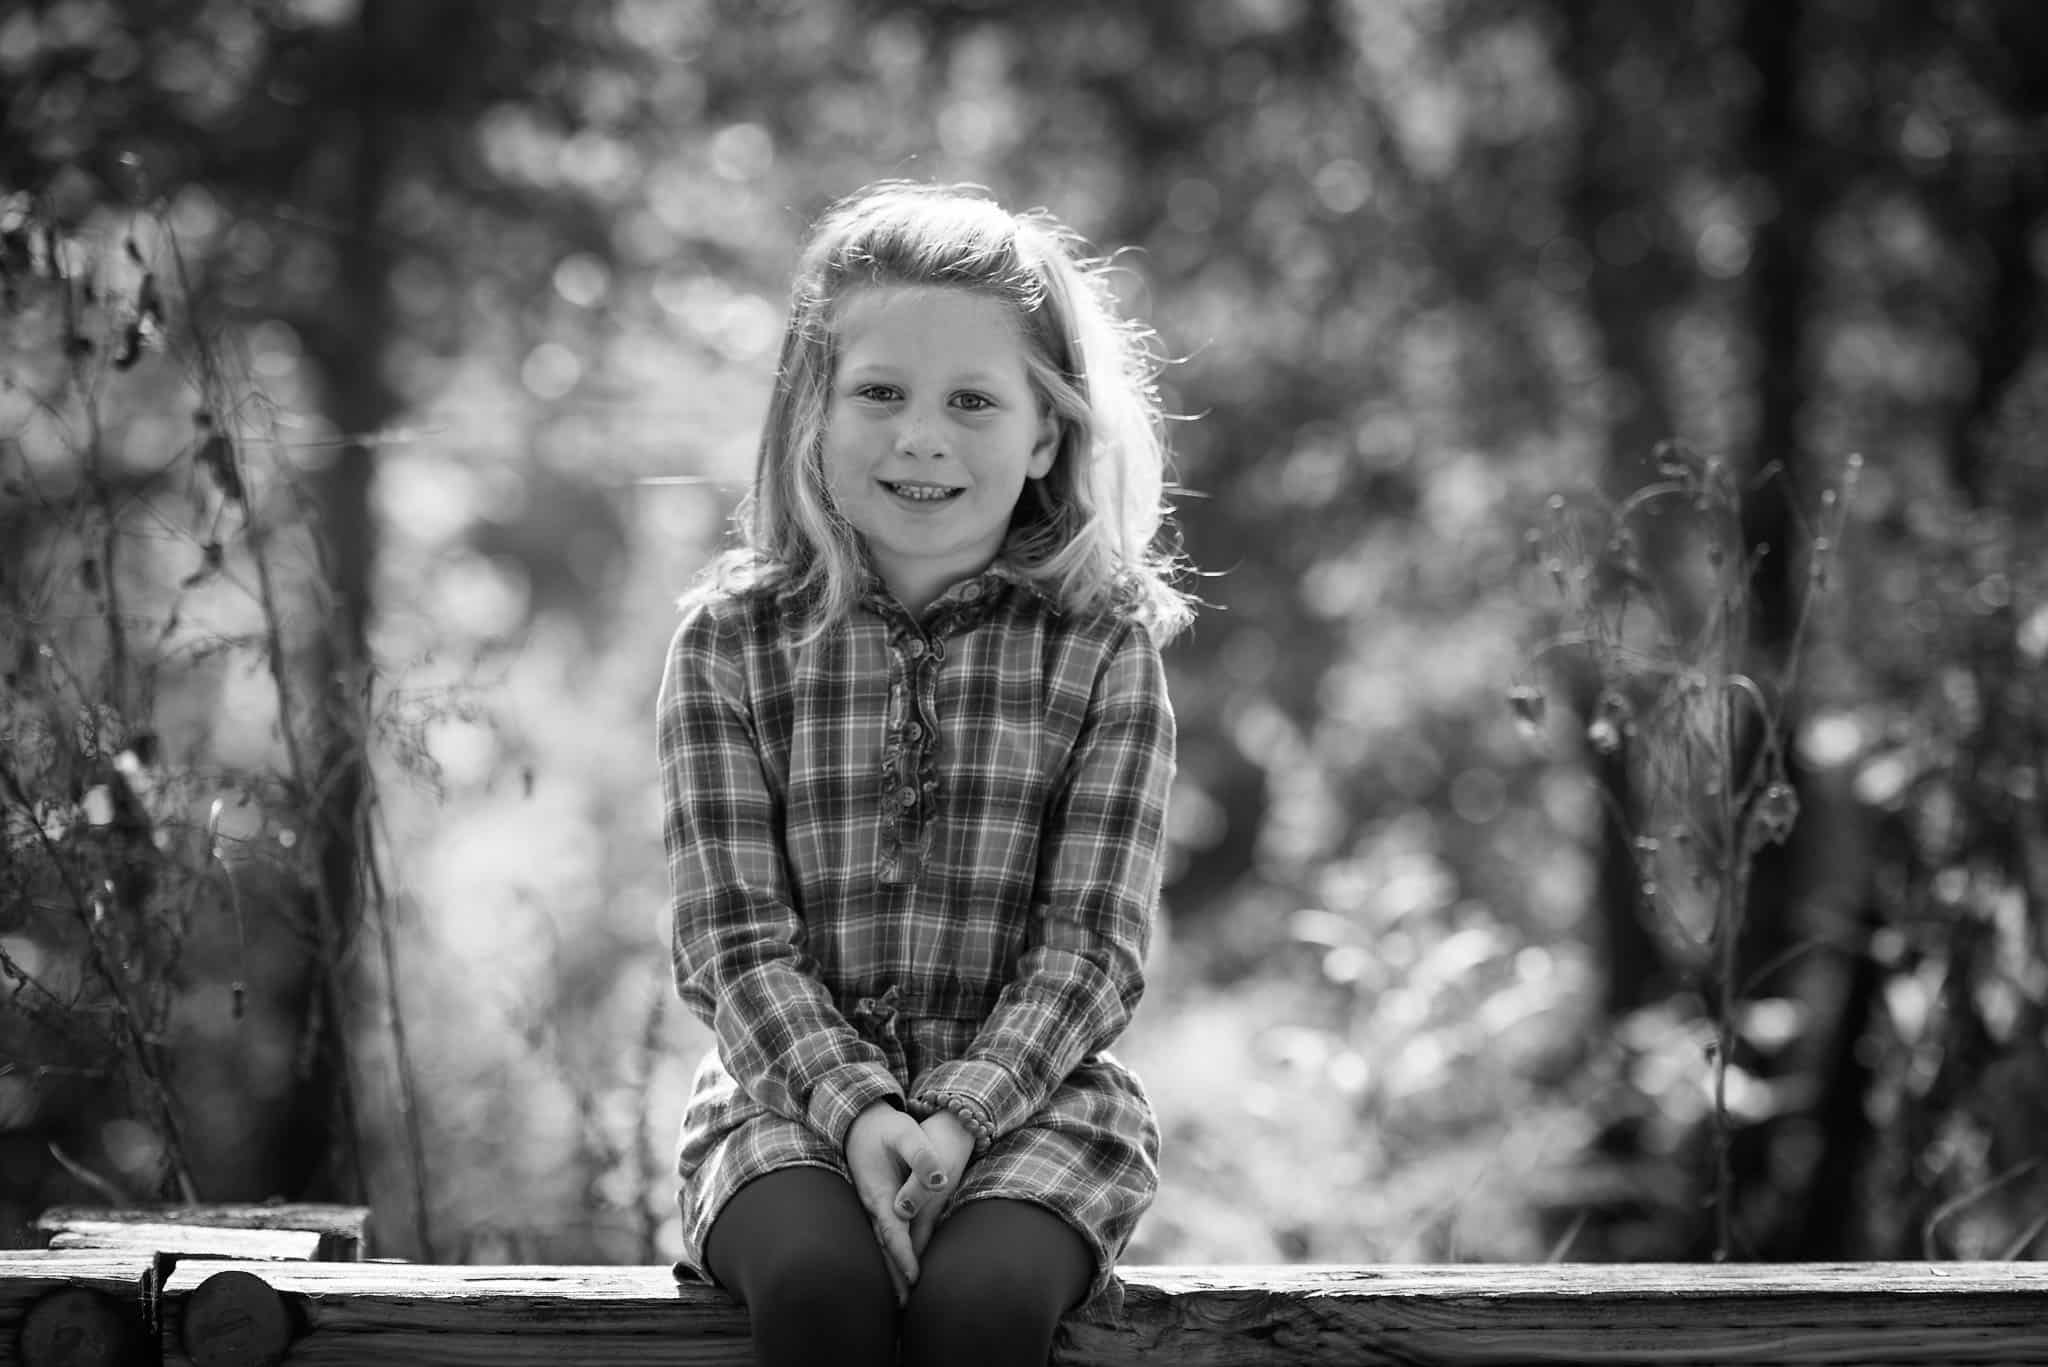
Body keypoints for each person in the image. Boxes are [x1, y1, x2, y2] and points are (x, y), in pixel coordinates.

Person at [657, 180, 1194, 1367]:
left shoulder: (1101, 649)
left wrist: (960, 1114)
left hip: (1033, 1103)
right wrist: (858, 1111)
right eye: (880, 392)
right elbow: (732, 944)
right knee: (817, 1289)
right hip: (787, 1101)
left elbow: (1091, 946)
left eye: (972, 400)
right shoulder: (730, 645)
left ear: (1044, 434)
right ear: (812, 409)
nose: (921, 435)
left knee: (980, 1307)